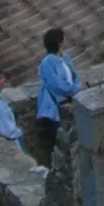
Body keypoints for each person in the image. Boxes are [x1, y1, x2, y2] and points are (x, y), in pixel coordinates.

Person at [36, 26, 82, 158]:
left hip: (70, 99)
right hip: (56, 105)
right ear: (60, 42)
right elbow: (57, 85)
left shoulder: (66, 57)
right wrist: (75, 90)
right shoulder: (47, 63)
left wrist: (76, 86)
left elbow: (74, 75)